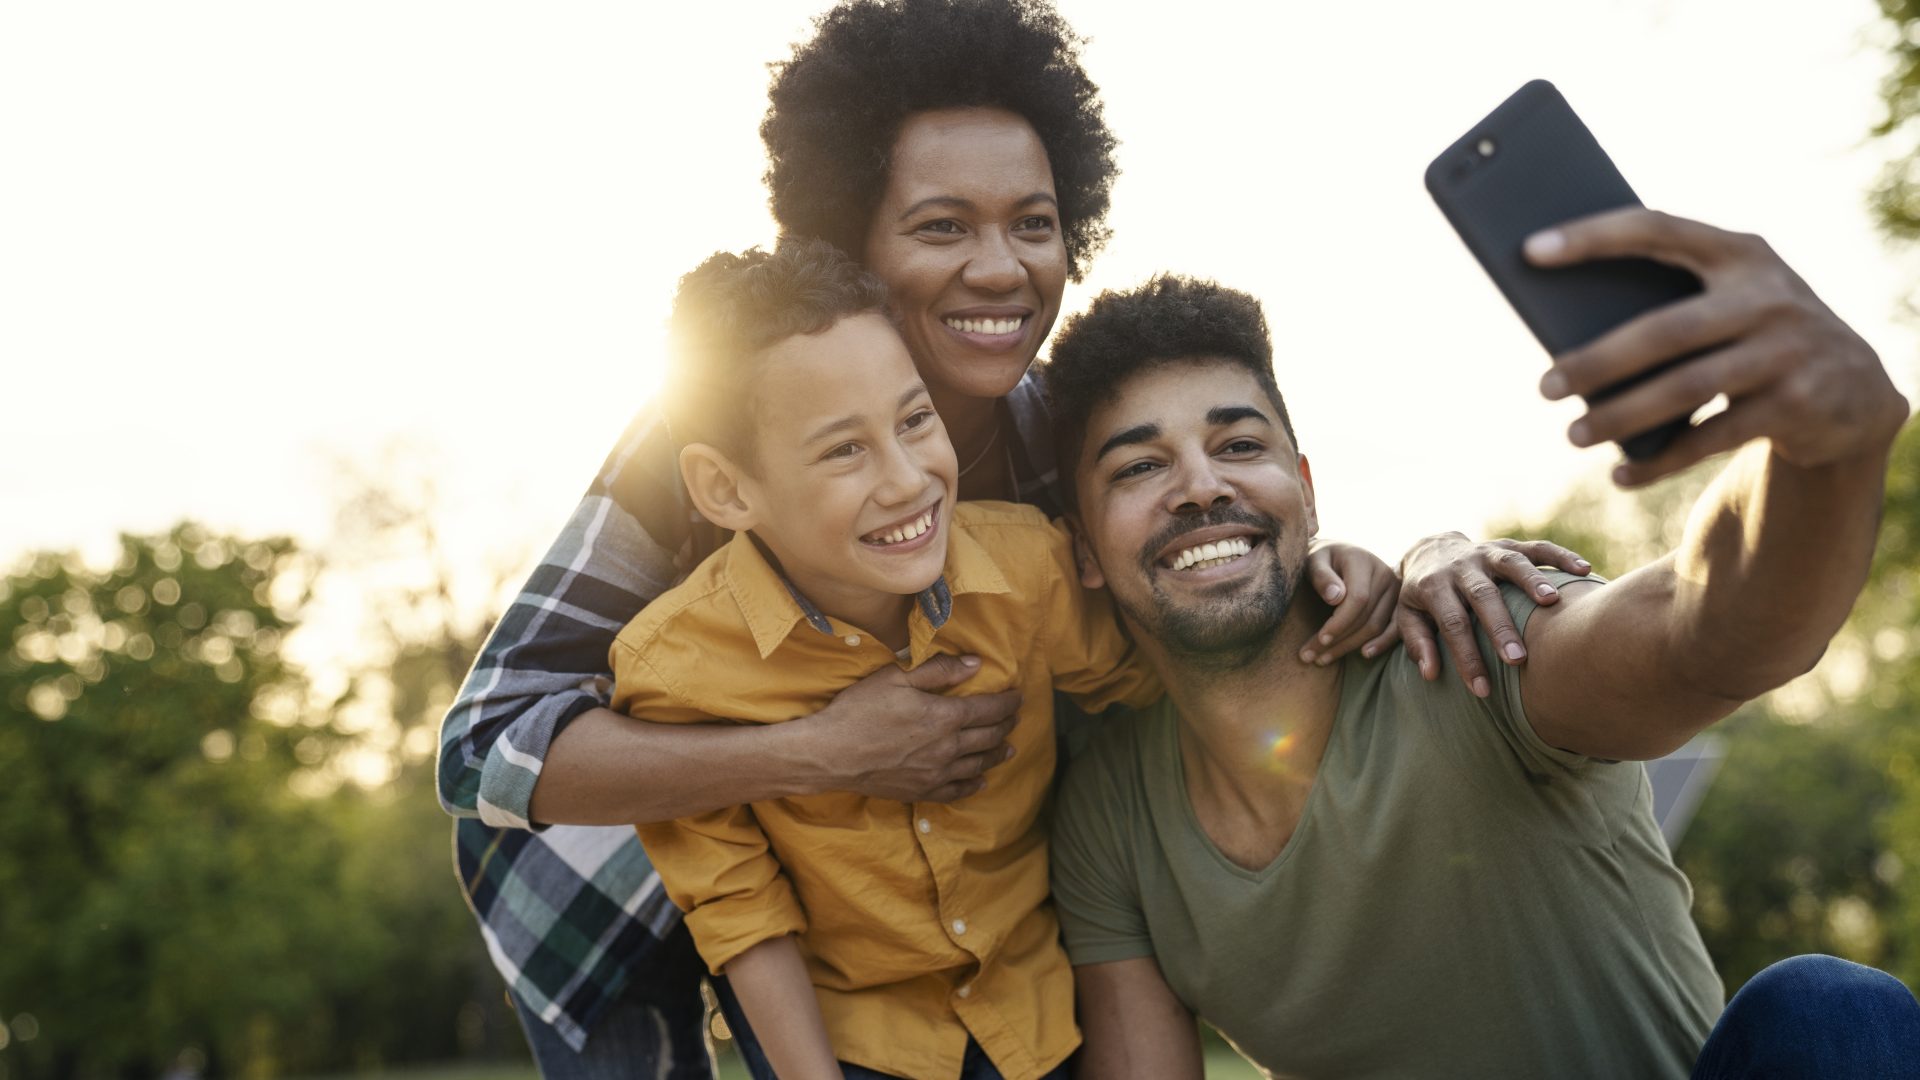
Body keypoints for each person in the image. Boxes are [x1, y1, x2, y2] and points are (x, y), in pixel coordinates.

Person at [434, 1, 1583, 1071]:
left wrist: (1414, 559)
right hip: (635, 879)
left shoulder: (1056, 437)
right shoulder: (720, 428)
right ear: (850, 246)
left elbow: (1213, 564)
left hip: (965, 908)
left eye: (1034, 224)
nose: (1003, 268)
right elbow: (482, 750)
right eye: (943, 226)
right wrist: (818, 750)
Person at [1042, 220, 1920, 1079]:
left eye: (1238, 444)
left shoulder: (1471, 638)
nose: (1201, 487)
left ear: (1306, 494)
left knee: (1833, 1010)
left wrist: (1820, 454)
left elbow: (1708, 629)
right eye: (1138, 467)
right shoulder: (1112, 812)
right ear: (1082, 546)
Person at [614, 238, 1163, 1080]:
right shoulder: (678, 666)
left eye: (914, 421)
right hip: (849, 1047)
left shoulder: (1028, 572)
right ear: (727, 490)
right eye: (843, 450)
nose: (908, 480)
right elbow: (740, 915)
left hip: (1042, 1018)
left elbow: (1166, 683)